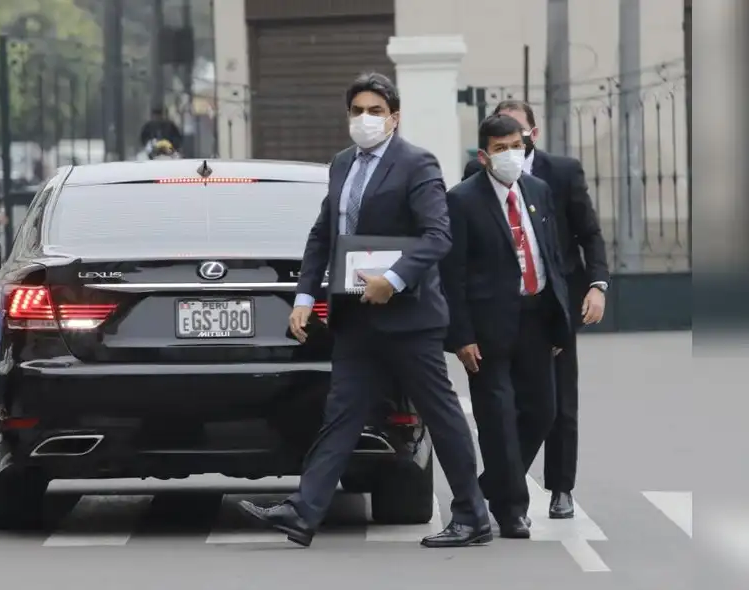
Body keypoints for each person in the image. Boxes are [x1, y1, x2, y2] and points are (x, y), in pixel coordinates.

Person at [236, 72, 491, 549]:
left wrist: (392, 280)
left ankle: (472, 515)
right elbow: (322, 234)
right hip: (354, 319)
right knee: (341, 415)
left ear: (394, 118)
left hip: (409, 319)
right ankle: (303, 511)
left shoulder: (417, 164)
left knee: (440, 414)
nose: (365, 119)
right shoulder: (341, 165)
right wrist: (305, 297)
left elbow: (437, 237)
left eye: (375, 111)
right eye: (357, 111)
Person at [462, 100, 609, 519]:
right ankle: (506, 495)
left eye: (518, 137)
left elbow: (590, 234)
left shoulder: (558, 174)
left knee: (556, 403)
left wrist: (597, 285)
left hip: (553, 306)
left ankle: (560, 487)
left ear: (532, 135)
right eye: (501, 141)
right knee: (505, 407)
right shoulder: (476, 180)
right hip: (499, 310)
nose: (510, 148)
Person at [441, 113, 573, 539]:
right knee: (497, 417)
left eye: (517, 146)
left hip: (536, 319)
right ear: (484, 156)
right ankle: (512, 508)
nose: (511, 155)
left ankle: (489, 489)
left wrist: (559, 321)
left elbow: (550, 257)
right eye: (500, 149)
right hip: (488, 327)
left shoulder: (537, 191)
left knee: (541, 412)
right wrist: (460, 335)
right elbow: (452, 274)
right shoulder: (462, 200)